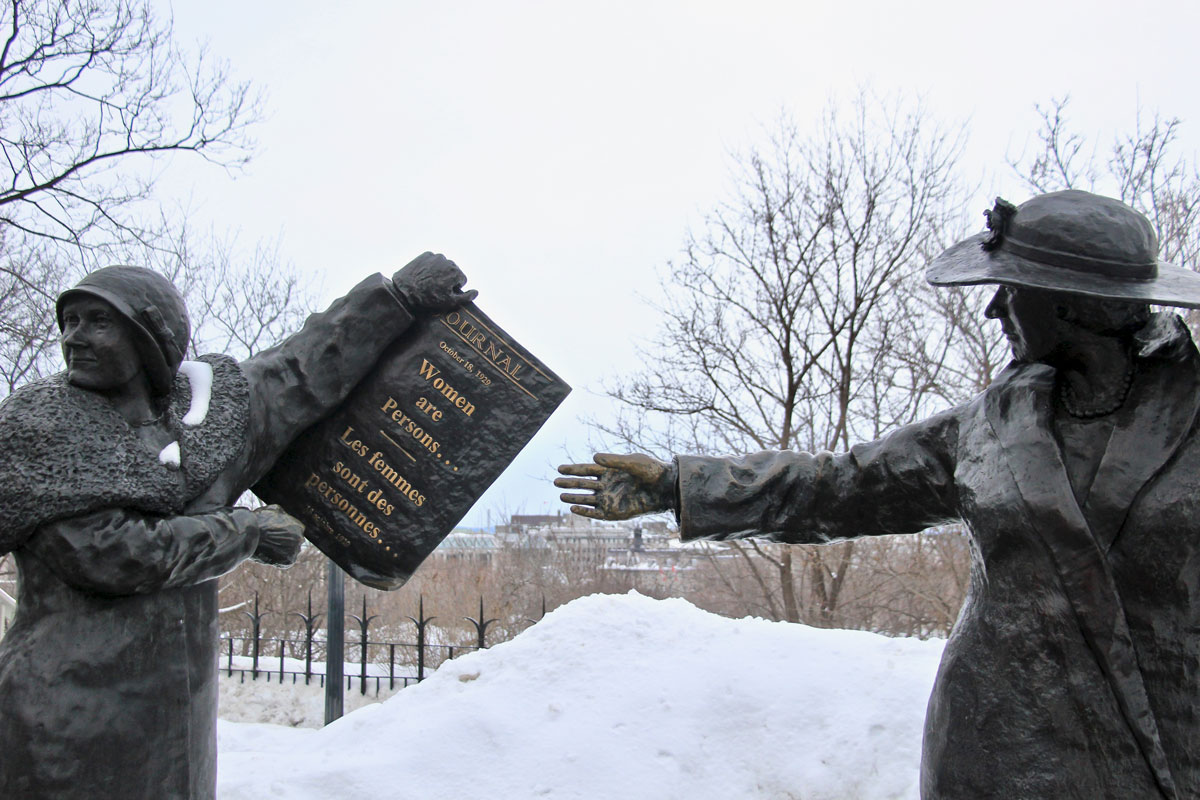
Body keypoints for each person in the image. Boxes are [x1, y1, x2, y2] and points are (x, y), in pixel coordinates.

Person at [557, 190, 1200, 799]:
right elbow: (839, 486)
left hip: (1157, 742)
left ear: (1071, 304)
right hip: (1000, 740)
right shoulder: (993, 426)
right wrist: (678, 485)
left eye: (1011, 289)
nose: (993, 308)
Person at [0, 252, 475, 799]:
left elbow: (305, 367)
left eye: (98, 321)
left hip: (176, 715)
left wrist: (400, 298)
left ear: (150, 336)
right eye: (70, 322)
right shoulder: (42, 430)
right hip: (64, 710)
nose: (74, 337)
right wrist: (245, 532)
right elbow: (112, 553)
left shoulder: (209, 419)